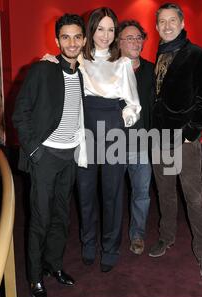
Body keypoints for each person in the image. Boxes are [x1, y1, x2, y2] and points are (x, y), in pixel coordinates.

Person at [43, 7, 141, 272]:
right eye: (100, 29)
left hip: (113, 131)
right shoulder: (81, 62)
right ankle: (88, 243)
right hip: (84, 132)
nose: (106, 35)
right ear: (91, 30)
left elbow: (134, 106)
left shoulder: (122, 64)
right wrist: (51, 61)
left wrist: (122, 121)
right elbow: (62, 70)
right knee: (85, 194)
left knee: (112, 194)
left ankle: (110, 247)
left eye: (111, 30)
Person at [12, 14, 87, 297]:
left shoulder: (84, 73)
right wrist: (34, 151)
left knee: (61, 218)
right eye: (65, 37)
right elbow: (20, 113)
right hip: (45, 157)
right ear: (57, 41)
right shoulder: (42, 70)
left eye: (77, 37)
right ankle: (34, 278)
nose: (71, 42)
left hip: (70, 157)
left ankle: (53, 265)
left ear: (83, 40)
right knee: (40, 220)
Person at [148, 3, 202, 281]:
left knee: (194, 197)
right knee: (164, 193)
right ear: (156, 27)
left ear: (182, 22)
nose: (167, 25)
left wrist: (191, 132)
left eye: (172, 20)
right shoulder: (159, 55)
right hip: (158, 137)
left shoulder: (198, 54)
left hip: (183, 140)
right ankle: (166, 237)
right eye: (162, 21)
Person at [118, 20, 155, 255]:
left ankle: (137, 235)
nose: (135, 41)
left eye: (138, 37)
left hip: (142, 146)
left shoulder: (152, 70)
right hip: (115, 145)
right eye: (129, 38)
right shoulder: (110, 71)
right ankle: (111, 238)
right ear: (119, 43)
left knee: (141, 194)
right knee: (112, 195)